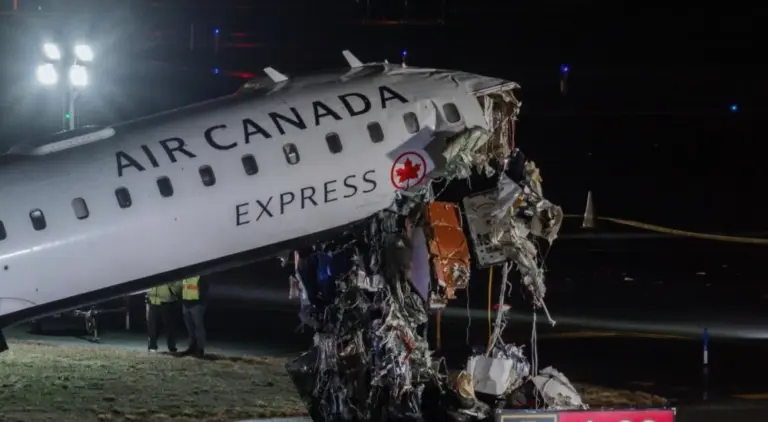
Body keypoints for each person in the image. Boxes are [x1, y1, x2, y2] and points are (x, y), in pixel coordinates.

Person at [146, 281, 182, 353]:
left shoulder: (169, 270)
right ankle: (152, 346)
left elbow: (178, 282)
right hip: (153, 301)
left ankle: (172, 347)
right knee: (152, 326)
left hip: (168, 302)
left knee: (171, 326)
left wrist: (171, 291)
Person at [180, 275, 208, 358]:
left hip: (196, 305)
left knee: (198, 327)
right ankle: (192, 347)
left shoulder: (200, 277)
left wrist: (200, 302)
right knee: (190, 328)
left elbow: (204, 290)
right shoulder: (185, 277)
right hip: (186, 304)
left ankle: (200, 349)